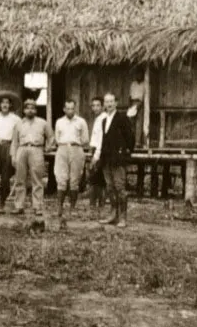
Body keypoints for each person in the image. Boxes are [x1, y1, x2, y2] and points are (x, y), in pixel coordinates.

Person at [94, 93, 135, 228]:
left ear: (116, 103)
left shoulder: (122, 118)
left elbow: (130, 138)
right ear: (104, 104)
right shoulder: (104, 120)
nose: (109, 104)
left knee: (120, 187)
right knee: (110, 188)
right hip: (106, 159)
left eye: (111, 101)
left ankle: (123, 217)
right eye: (106, 102)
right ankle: (113, 215)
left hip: (118, 159)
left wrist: (124, 152)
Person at [10, 99, 55, 216]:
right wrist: (13, 156)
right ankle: (19, 206)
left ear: (36, 110)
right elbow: (14, 141)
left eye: (33, 108)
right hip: (22, 149)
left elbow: (51, 137)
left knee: (37, 179)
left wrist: (47, 148)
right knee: (20, 179)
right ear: (24, 110)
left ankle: (37, 206)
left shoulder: (43, 123)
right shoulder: (19, 124)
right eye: (28, 108)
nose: (30, 110)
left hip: (36, 149)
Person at [53, 100, 89, 218]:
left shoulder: (81, 122)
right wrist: (63, 145)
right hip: (62, 148)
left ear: (75, 109)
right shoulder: (59, 122)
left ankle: (72, 208)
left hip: (76, 148)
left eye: (72, 108)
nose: (70, 111)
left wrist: (75, 144)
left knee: (74, 179)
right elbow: (57, 138)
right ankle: (59, 207)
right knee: (61, 178)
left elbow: (85, 139)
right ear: (64, 109)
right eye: (67, 108)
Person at [87, 96, 108, 216]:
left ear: (102, 106)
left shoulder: (104, 118)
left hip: (100, 152)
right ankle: (94, 206)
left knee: (100, 180)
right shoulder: (97, 119)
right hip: (95, 151)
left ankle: (100, 206)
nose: (95, 108)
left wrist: (96, 155)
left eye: (98, 105)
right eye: (93, 105)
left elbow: (101, 139)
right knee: (94, 179)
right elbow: (94, 138)